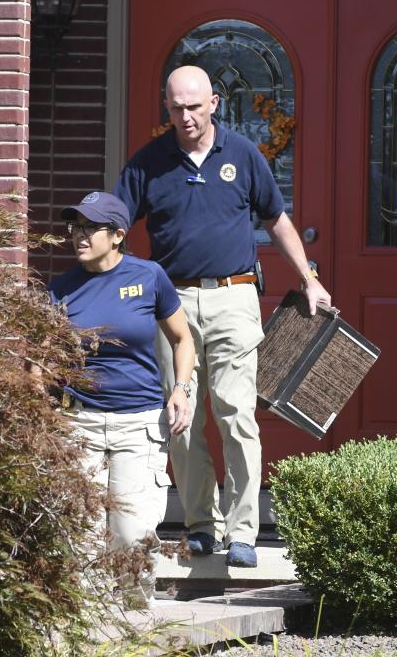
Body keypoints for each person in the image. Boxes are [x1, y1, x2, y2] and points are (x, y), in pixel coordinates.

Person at [115, 66, 331, 568]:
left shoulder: (244, 155)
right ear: (165, 109)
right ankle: (199, 525)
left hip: (234, 299)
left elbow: (277, 220)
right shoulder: (148, 163)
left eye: (194, 106)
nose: (186, 117)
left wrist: (309, 278)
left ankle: (242, 532)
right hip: (171, 309)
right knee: (181, 420)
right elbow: (116, 226)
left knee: (237, 415)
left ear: (214, 102)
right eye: (176, 108)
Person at [48, 191, 195, 609]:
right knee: (81, 534)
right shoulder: (62, 288)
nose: (78, 235)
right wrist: (42, 415)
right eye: (74, 226)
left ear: (116, 235)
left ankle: (133, 623)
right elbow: (39, 359)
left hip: (140, 424)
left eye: (89, 227)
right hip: (80, 424)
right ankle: (87, 628)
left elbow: (183, 339)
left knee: (131, 534)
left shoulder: (149, 277)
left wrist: (181, 390)